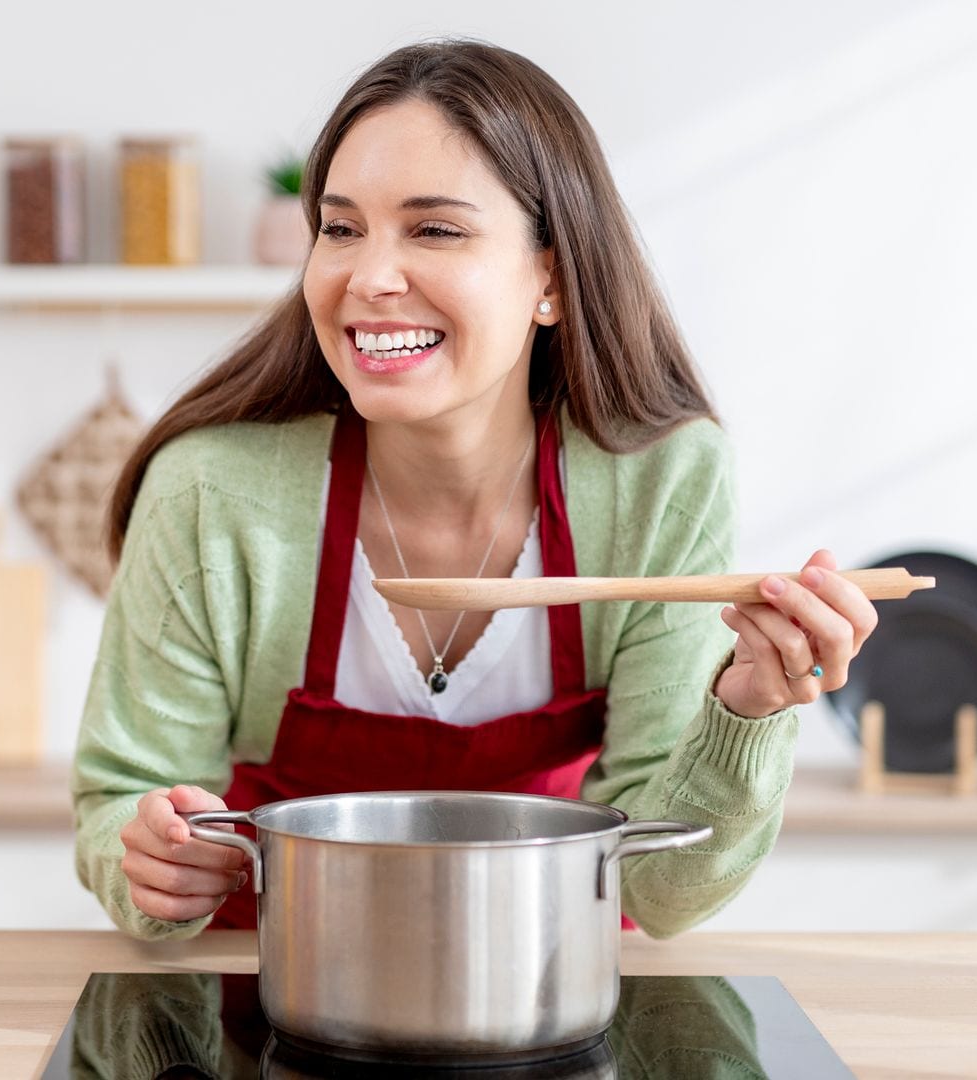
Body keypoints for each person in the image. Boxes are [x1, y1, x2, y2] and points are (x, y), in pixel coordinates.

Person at [72, 39, 880, 941]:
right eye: (341, 229)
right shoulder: (211, 490)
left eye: (434, 229)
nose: (368, 278)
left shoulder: (659, 480)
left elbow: (661, 891)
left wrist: (748, 710)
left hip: (546, 989)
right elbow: (123, 796)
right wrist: (148, 861)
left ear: (553, 279)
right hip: (273, 988)